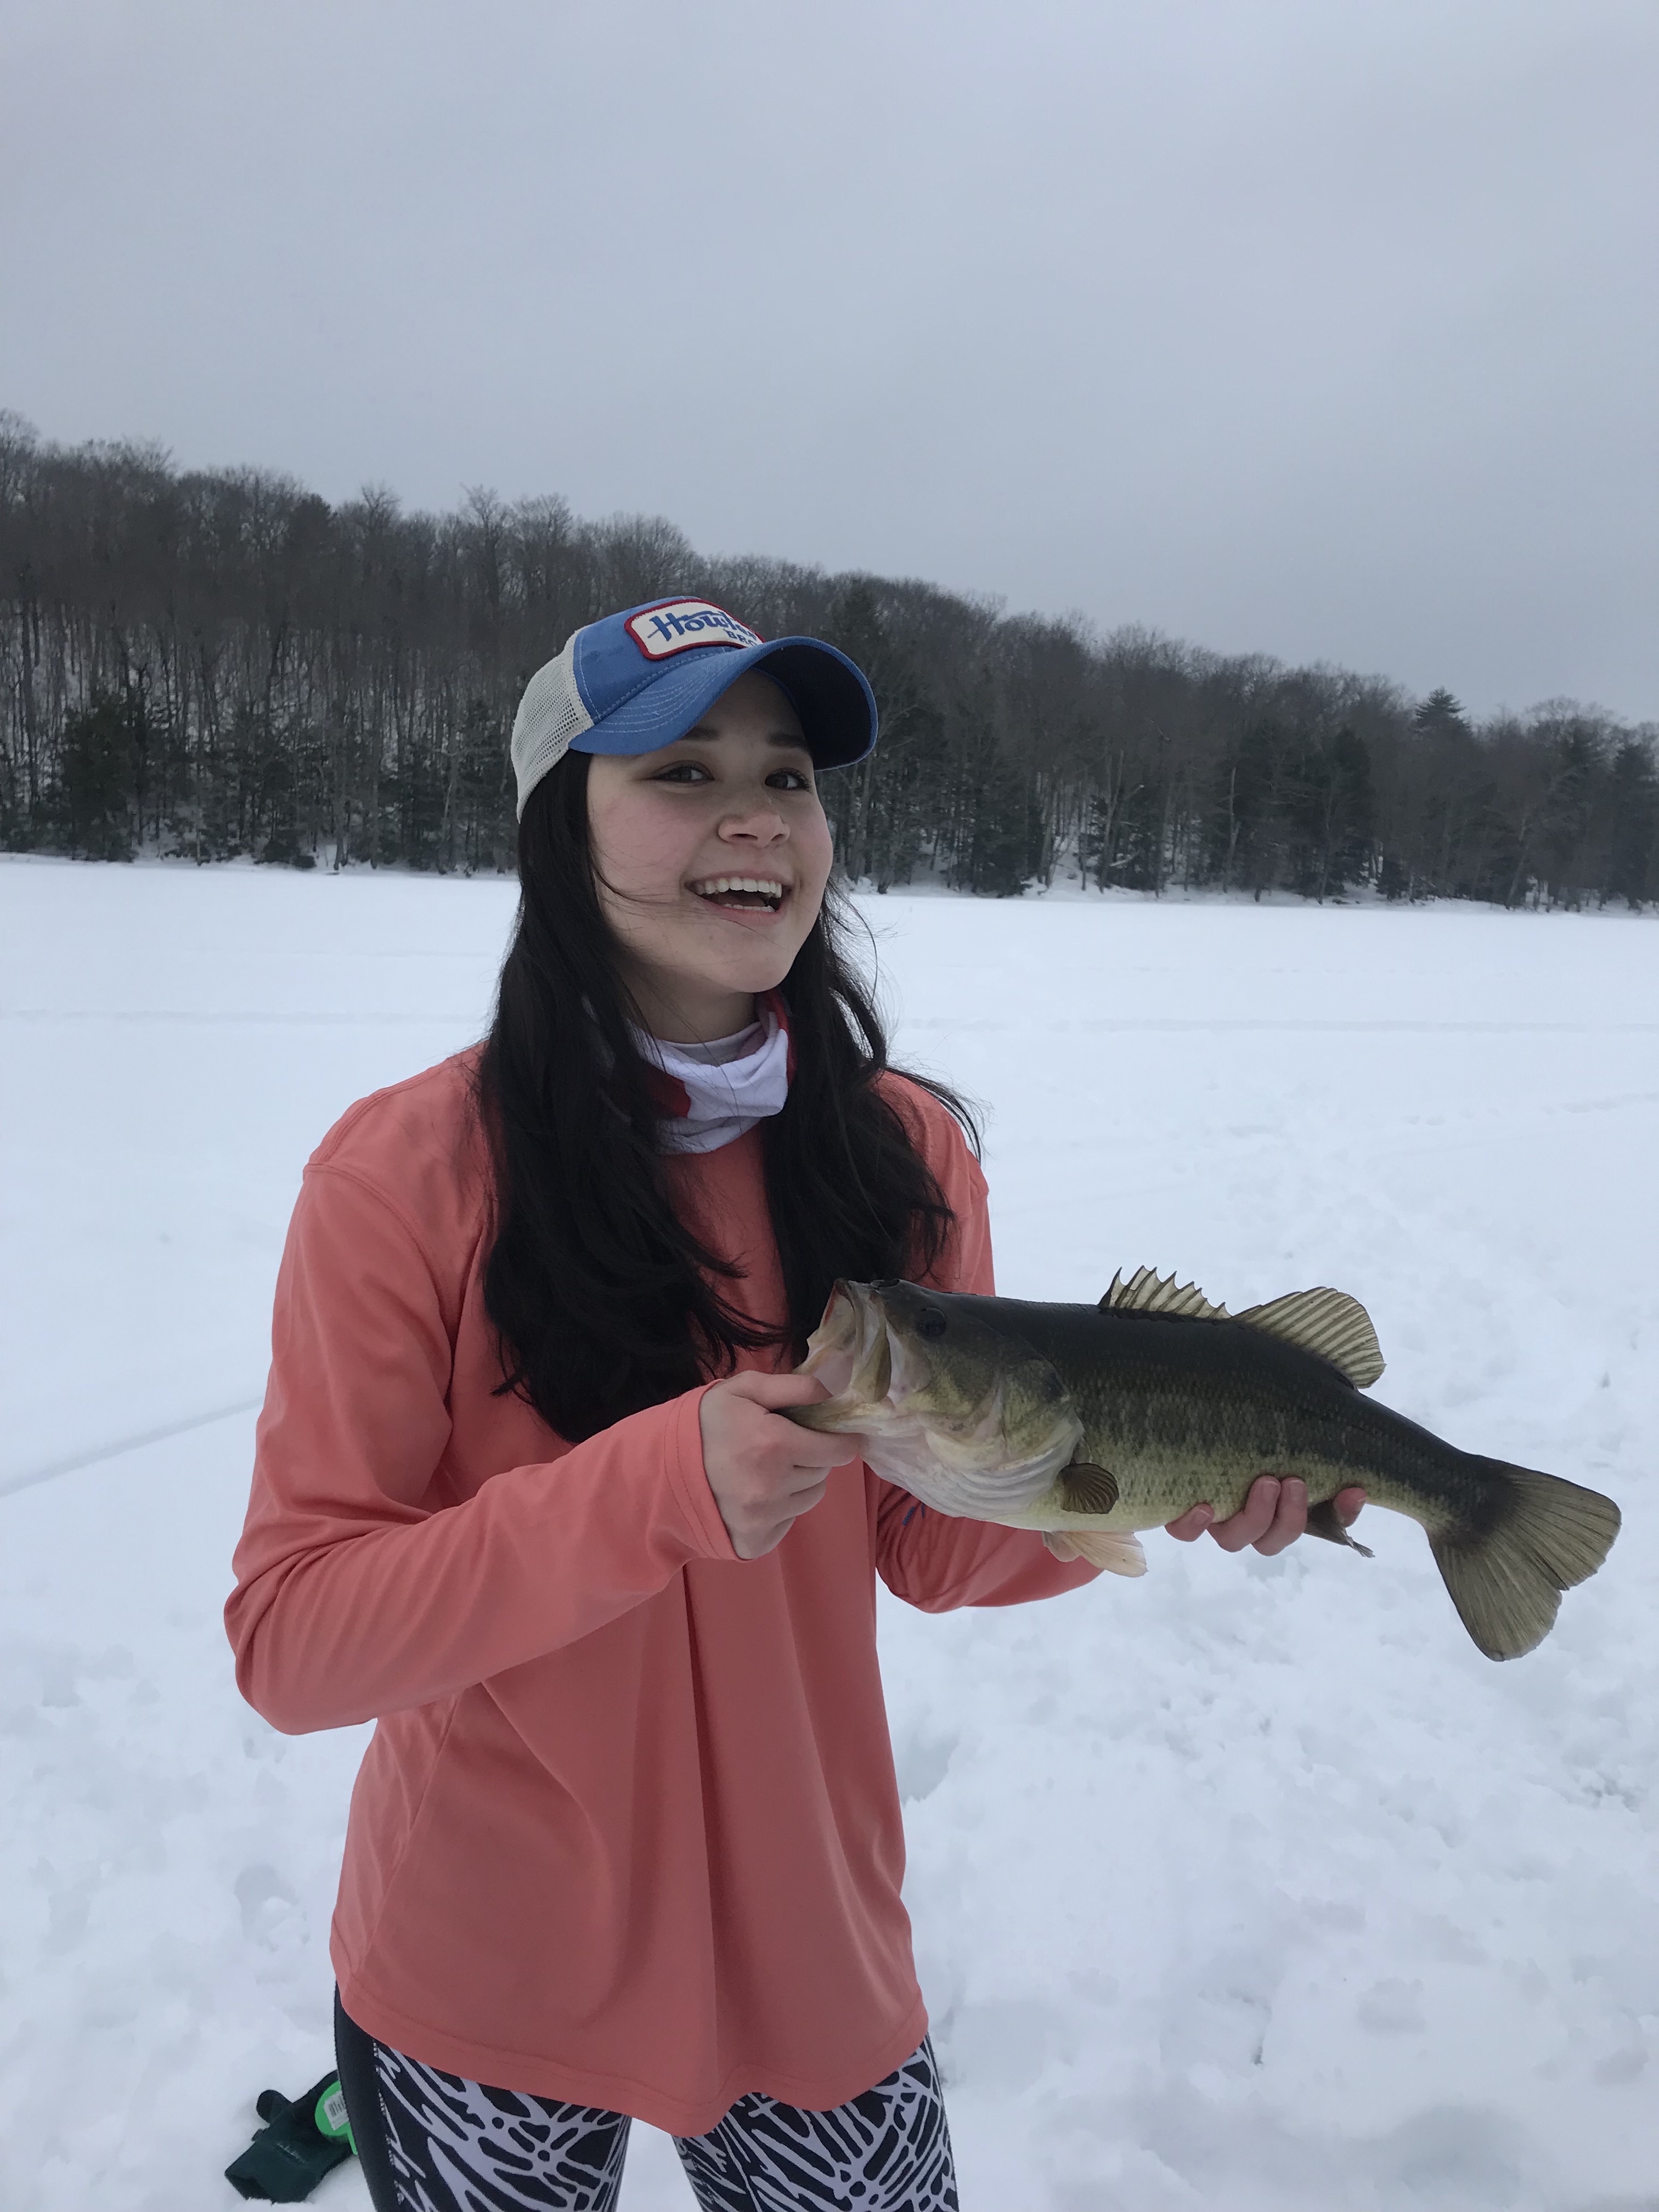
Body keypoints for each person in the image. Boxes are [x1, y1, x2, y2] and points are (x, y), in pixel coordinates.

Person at [225, 595, 1363, 2212]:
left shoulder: (905, 1157)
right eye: (681, 772)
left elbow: (929, 1543)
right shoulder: (402, 1177)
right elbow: (294, 1636)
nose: (758, 816)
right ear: (564, 831)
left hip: (815, 1953)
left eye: (791, 777)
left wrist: (1141, 1490)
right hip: (483, 1976)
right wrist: (652, 1490)